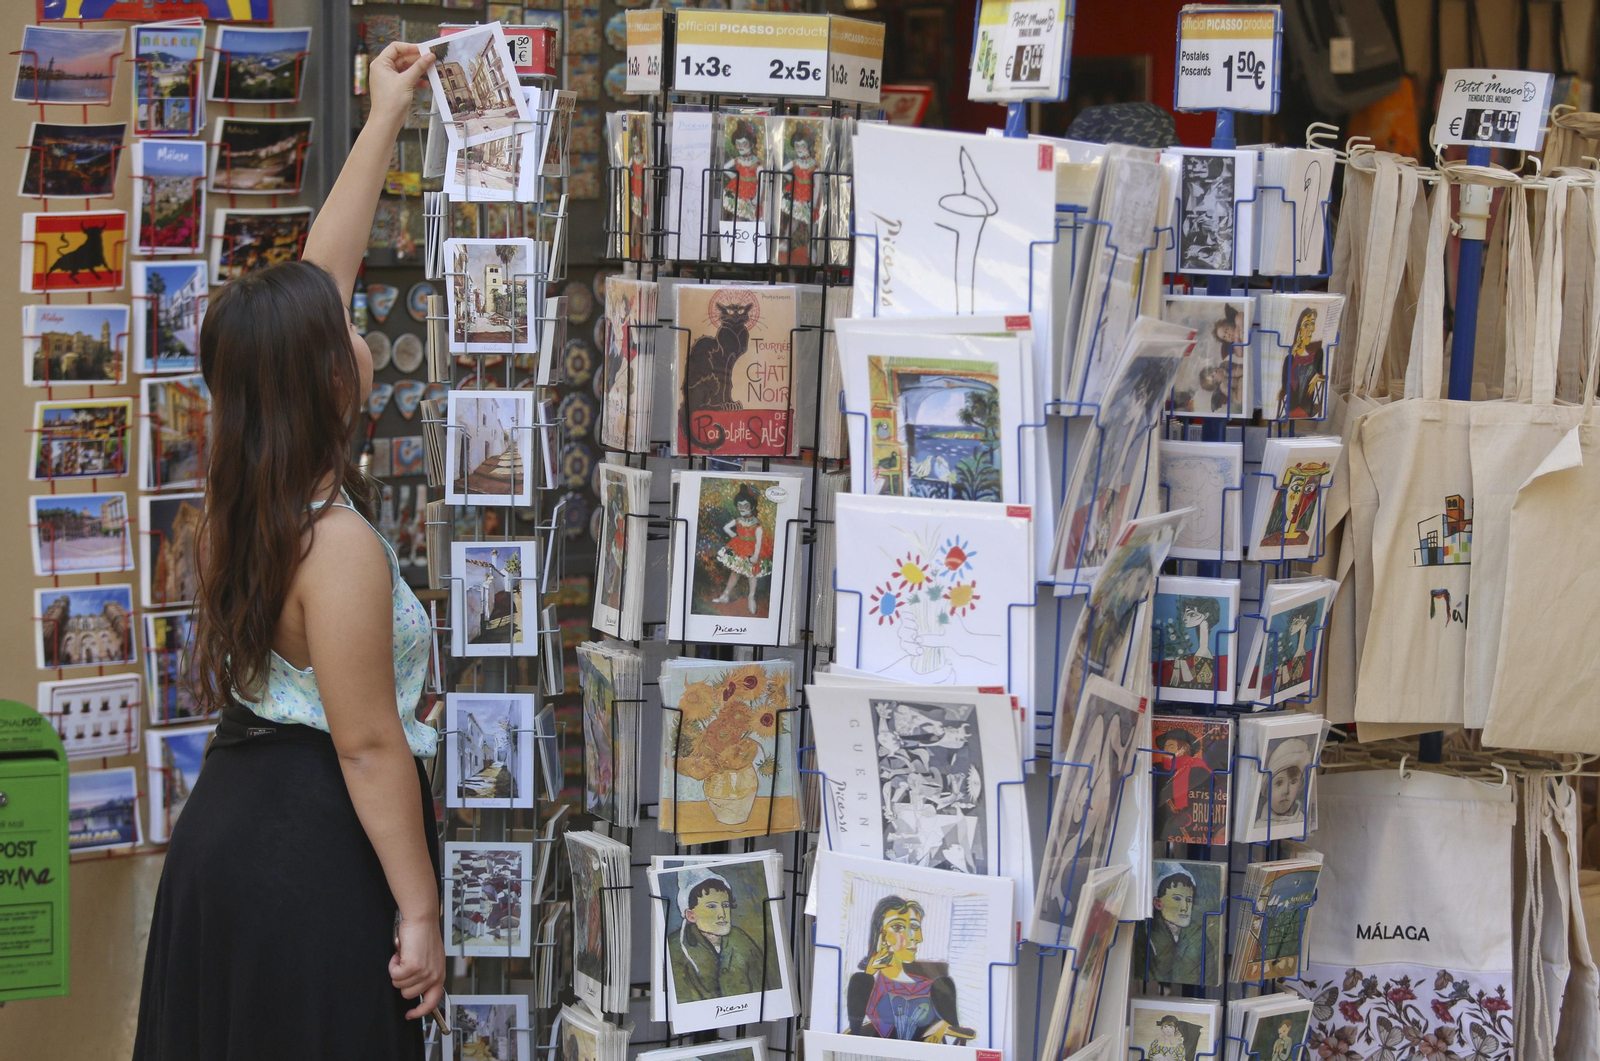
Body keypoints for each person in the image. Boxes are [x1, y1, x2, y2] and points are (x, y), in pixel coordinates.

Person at [134, 42, 445, 1061]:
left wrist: (386, 111)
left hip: (236, 835)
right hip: (305, 859)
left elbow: (324, 267)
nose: (356, 325)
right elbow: (366, 744)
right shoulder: (339, 546)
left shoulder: (247, 490)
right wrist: (419, 911)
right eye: (344, 327)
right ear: (322, 380)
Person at [846, 896, 975, 1043]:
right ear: (881, 934)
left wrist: (942, 1026)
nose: (913, 937)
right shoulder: (865, 983)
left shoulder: (937, 987)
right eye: (898, 927)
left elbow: (961, 1033)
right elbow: (854, 1032)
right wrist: (870, 970)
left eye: (914, 927)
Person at [669, 872, 768, 1002]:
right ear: (691, 915)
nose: (722, 914)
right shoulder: (676, 946)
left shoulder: (741, 939)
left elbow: (762, 986)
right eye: (711, 906)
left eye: (725, 905)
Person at [1137, 868, 1212, 986]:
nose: (1185, 907)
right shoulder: (1146, 932)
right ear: (1158, 903)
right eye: (1177, 899)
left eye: (1189, 900)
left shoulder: (1198, 934)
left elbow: (1208, 972)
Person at [712, 484, 772, 614]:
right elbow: (726, 528)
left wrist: (756, 556)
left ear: (752, 506)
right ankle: (725, 595)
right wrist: (736, 537)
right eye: (740, 506)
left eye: (746, 506)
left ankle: (751, 597)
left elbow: (759, 542)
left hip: (751, 551)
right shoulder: (738, 520)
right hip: (739, 548)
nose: (743, 509)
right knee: (735, 571)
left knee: (752, 574)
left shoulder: (756, 524)